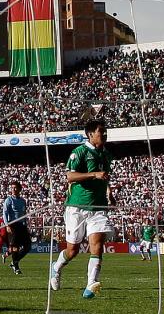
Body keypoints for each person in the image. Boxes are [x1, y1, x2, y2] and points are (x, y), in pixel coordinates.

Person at [50, 119, 116, 299]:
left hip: (98, 207)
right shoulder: (79, 152)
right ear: (90, 134)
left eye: (105, 131)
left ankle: (91, 284)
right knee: (73, 250)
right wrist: (93, 174)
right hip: (77, 207)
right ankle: (56, 268)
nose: (104, 134)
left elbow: (105, 177)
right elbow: (69, 176)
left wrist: (110, 193)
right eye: (100, 131)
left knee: (98, 245)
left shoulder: (106, 155)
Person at [2, 182, 31, 274]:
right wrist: (7, 225)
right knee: (15, 247)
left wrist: (26, 225)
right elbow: (5, 214)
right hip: (12, 226)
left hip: (22, 226)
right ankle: (16, 267)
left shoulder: (23, 201)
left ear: (19, 189)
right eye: (12, 188)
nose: (13, 190)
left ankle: (14, 262)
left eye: (15, 188)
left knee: (28, 246)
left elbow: (24, 214)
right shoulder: (8, 200)